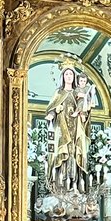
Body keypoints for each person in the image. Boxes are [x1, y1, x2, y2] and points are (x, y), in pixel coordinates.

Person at [44, 65, 82, 193]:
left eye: (71, 74)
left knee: (73, 153)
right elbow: (51, 108)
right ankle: (60, 185)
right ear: (63, 77)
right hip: (61, 128)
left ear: (74, 77)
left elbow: (84, 108)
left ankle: (73, 184)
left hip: (75, 129)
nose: (69, 76)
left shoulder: (77, 93)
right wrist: (54, 111)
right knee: (61, 152)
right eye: (66, 74)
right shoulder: (59, 93)